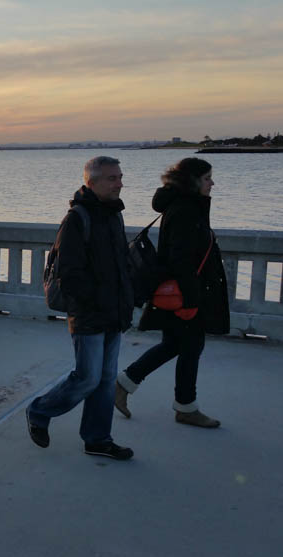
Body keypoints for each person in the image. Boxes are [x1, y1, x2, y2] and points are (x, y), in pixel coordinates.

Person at [26, 156, 135, 460]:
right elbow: (69, 274)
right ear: (92, 182)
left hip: (114, 313)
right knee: (88, 378)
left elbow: (121, 265)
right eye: (112, 178)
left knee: (105, 380)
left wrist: (126, 299)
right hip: (89, 314)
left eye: (120, 177)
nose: (120, 183)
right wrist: (94, 302)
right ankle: (39, 411)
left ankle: (97, 439)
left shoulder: (114, 215)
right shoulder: (77, 219)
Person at [114, 157, 230, 427]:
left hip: (183, 292)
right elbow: (181, 260)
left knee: (177, 345)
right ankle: (185, 407)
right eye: (207, 178)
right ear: (192, 181)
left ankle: (125, 385)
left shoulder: (185, 205)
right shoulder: (185, 210)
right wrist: (190, 301)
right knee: (189, 347)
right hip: (184, 295)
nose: (212, 183)